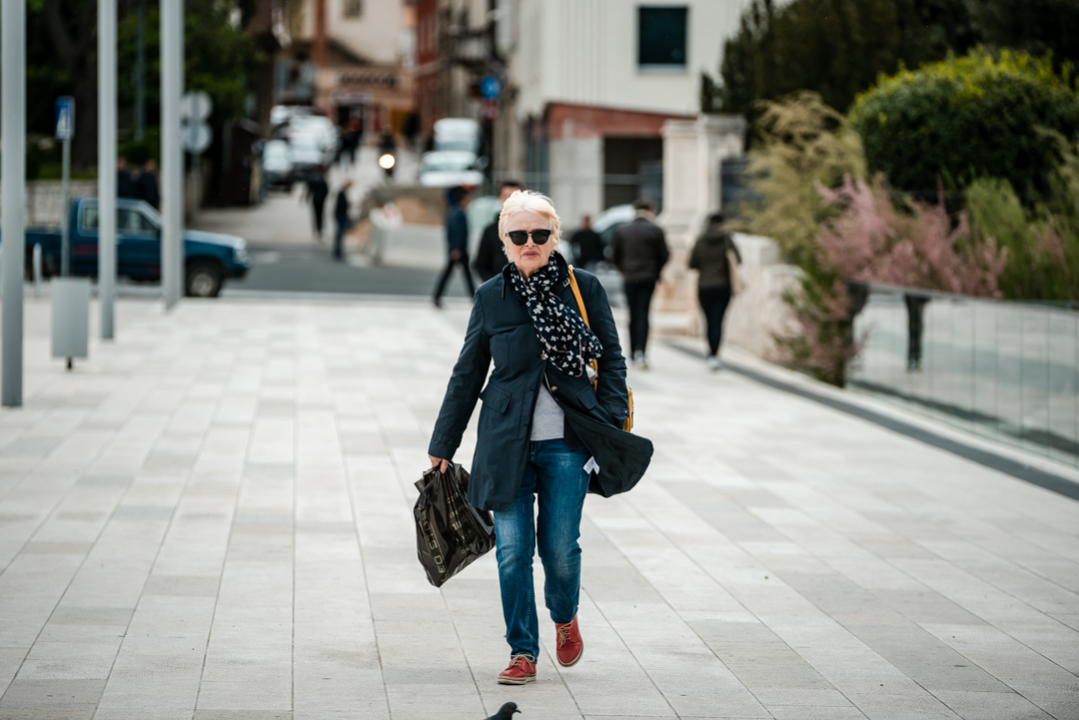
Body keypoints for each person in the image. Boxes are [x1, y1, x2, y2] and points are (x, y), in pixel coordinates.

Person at [428, 190, 630, 685]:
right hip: (506, 441)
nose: (530, 243)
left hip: (569, 441)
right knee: (513, 550)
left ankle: (564, 616)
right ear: (504, 241)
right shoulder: (490, 297)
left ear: (554, 237)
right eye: (518, 235)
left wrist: (607, 419)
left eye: (540, 234)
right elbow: (468, 372)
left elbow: (613, 362)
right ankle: (523, 650)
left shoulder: (585, 288)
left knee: (559, 549)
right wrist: (443, 445)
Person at [610, 198, 669, 369]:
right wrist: (655, 270)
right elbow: (664, 255)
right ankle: (641, 351)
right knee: (643, 312)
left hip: (629, 276)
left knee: (632, 314)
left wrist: (624, 269)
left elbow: (613, 256)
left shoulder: (622, 230)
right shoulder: (655, 230)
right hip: (648, 277)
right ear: (650, 210)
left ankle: (631, 351)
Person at [689, 212, 742, 370]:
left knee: (708, 320)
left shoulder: (700, 240)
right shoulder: (727, 240)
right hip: (723, 287)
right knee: (718, 320)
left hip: (704, 287)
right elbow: (738, 260)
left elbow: (692, 263)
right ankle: (715, 355)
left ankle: (710, 353)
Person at [432, 186, 476, 307]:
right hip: (459, 249)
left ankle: (437, 297)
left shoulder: (454, 212)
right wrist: (456, 248)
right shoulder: (458, 214)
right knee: (463, 275)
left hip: (457, 248)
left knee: (459, 274)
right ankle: (474, 298)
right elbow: (457, 232)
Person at [472, 180, 524, 282]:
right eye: (507, 197)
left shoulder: (535, 227)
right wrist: (495, 285)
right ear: (500, 199)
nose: (512, 202)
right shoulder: (491, 230)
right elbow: (480, 264)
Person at [301, 167, 329, 240]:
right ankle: (319, 229)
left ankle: (316, 229)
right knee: (320, 215)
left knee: (315, 215)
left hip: (315, 200)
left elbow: (309, 191)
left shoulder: (313, 180)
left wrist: (307, 199)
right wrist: (324, 197)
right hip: (321, 200)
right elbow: (327, 190)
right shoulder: (322, 180)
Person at [333, 179, 353, 261]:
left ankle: (338, 250)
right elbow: (342, 205)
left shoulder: (343, 194)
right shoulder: (341, 194)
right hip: (340, 215)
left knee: (340, 234)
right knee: (339, 234)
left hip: (341, 215)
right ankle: (337, 251)